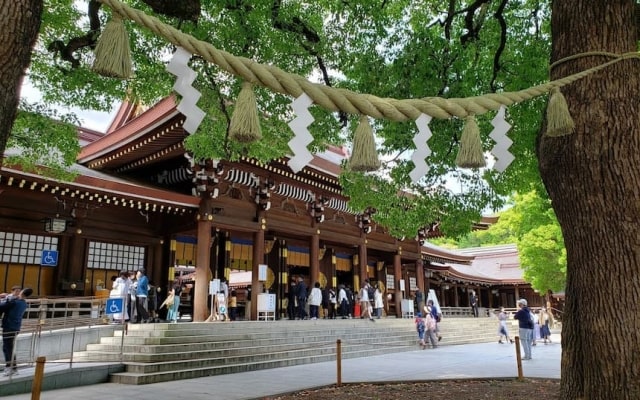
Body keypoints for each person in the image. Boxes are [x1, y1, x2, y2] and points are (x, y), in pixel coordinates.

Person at [0, 287, 32, 376]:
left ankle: (10, 368)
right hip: (16, 327)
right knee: (10, 347)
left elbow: (1, 307)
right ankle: (13, 368)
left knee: (7, 348)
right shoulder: (24, 304)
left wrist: (3, 298)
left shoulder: (14, 302)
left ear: (22, 292)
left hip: (8, 327)